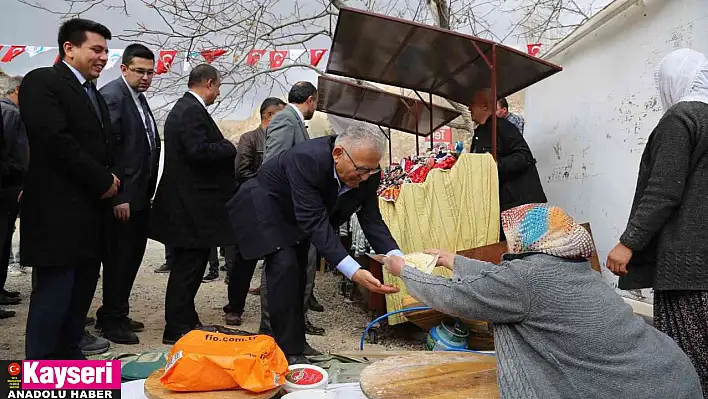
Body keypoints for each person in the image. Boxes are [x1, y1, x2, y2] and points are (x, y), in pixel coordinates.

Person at [383, 203, 704, 399]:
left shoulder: (527, 280)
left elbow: (459, 296)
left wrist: (405, 272)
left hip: (634, 390)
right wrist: (452, 260)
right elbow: (504, 282)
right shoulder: (577, 270)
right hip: (670, 373)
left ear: (527, 242)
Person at [227, 124, 402, 365]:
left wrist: (394, 255)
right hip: (267, 207)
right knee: (284, 268)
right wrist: (354, 271)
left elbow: (370, 216)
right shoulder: (307, 159)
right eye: (360, 170)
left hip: (298, 215)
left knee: (299, 276)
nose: (363, 178)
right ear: (338, 154)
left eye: (370, 172)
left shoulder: (369, 171)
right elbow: (316, 223)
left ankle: (296, 343)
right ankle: (282, 349)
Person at [607, 48, 708, 396]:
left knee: (686, 361)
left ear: (674, 81)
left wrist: (628, 242)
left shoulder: (682, 119)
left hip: (687, 271)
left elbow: (664, 190)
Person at [19, 18, 120, 359]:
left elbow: (104, 146)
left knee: (78, 300)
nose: (104, 58)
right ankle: (40, 373)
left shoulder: (92, 93)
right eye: (96, 49)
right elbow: (56, 141)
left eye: (106, 51)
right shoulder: (42, 82)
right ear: (69, 48)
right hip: (56, 217)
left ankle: (70, 360)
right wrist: (102, 179)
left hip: (91, 220)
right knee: (53, 300)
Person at [150, 64, 237, 345]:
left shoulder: (188, 109)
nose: (218, 93)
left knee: (194, 266)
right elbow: (198, 151)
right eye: (218, 86)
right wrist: (229, 146)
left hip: (191, 206)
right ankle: (176, 327)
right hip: (188, 207)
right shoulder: (189, 110)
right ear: (209, 83)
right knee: (187, 269)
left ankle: (187, 319)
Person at [94, 44, 160, 345]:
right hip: (121, 198)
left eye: (150, 72)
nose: (146, 77)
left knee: (130, 258)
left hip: (140, 196)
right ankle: (112, 320)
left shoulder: (138, 98)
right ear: (124, 68)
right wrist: (119, 195)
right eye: (140, 71)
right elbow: (108, 151)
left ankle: (116, 310)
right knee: (120, 259)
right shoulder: (113, 96)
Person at [223, 96, 285, 326]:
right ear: (269, 115)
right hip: (252, 206)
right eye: (281, 115)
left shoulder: (284, 139)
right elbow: (241, 172)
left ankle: (273, 312)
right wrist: (267, 185)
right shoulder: (249, 139)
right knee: (244, 259)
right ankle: (234, 307)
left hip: (276, 208)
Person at [469, 89, 546, 239]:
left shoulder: (504, 127)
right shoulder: (479, 134)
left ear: (485, 106)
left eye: (472, 104)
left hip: (521, 206)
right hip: (500, 209)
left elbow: (524, 157)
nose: (468, 108)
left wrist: (494, 165)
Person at [0, 75, 28, 318]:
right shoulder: (10, 113)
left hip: (10, 187)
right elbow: (6, 152)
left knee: (5, 240)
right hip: (7, 189)